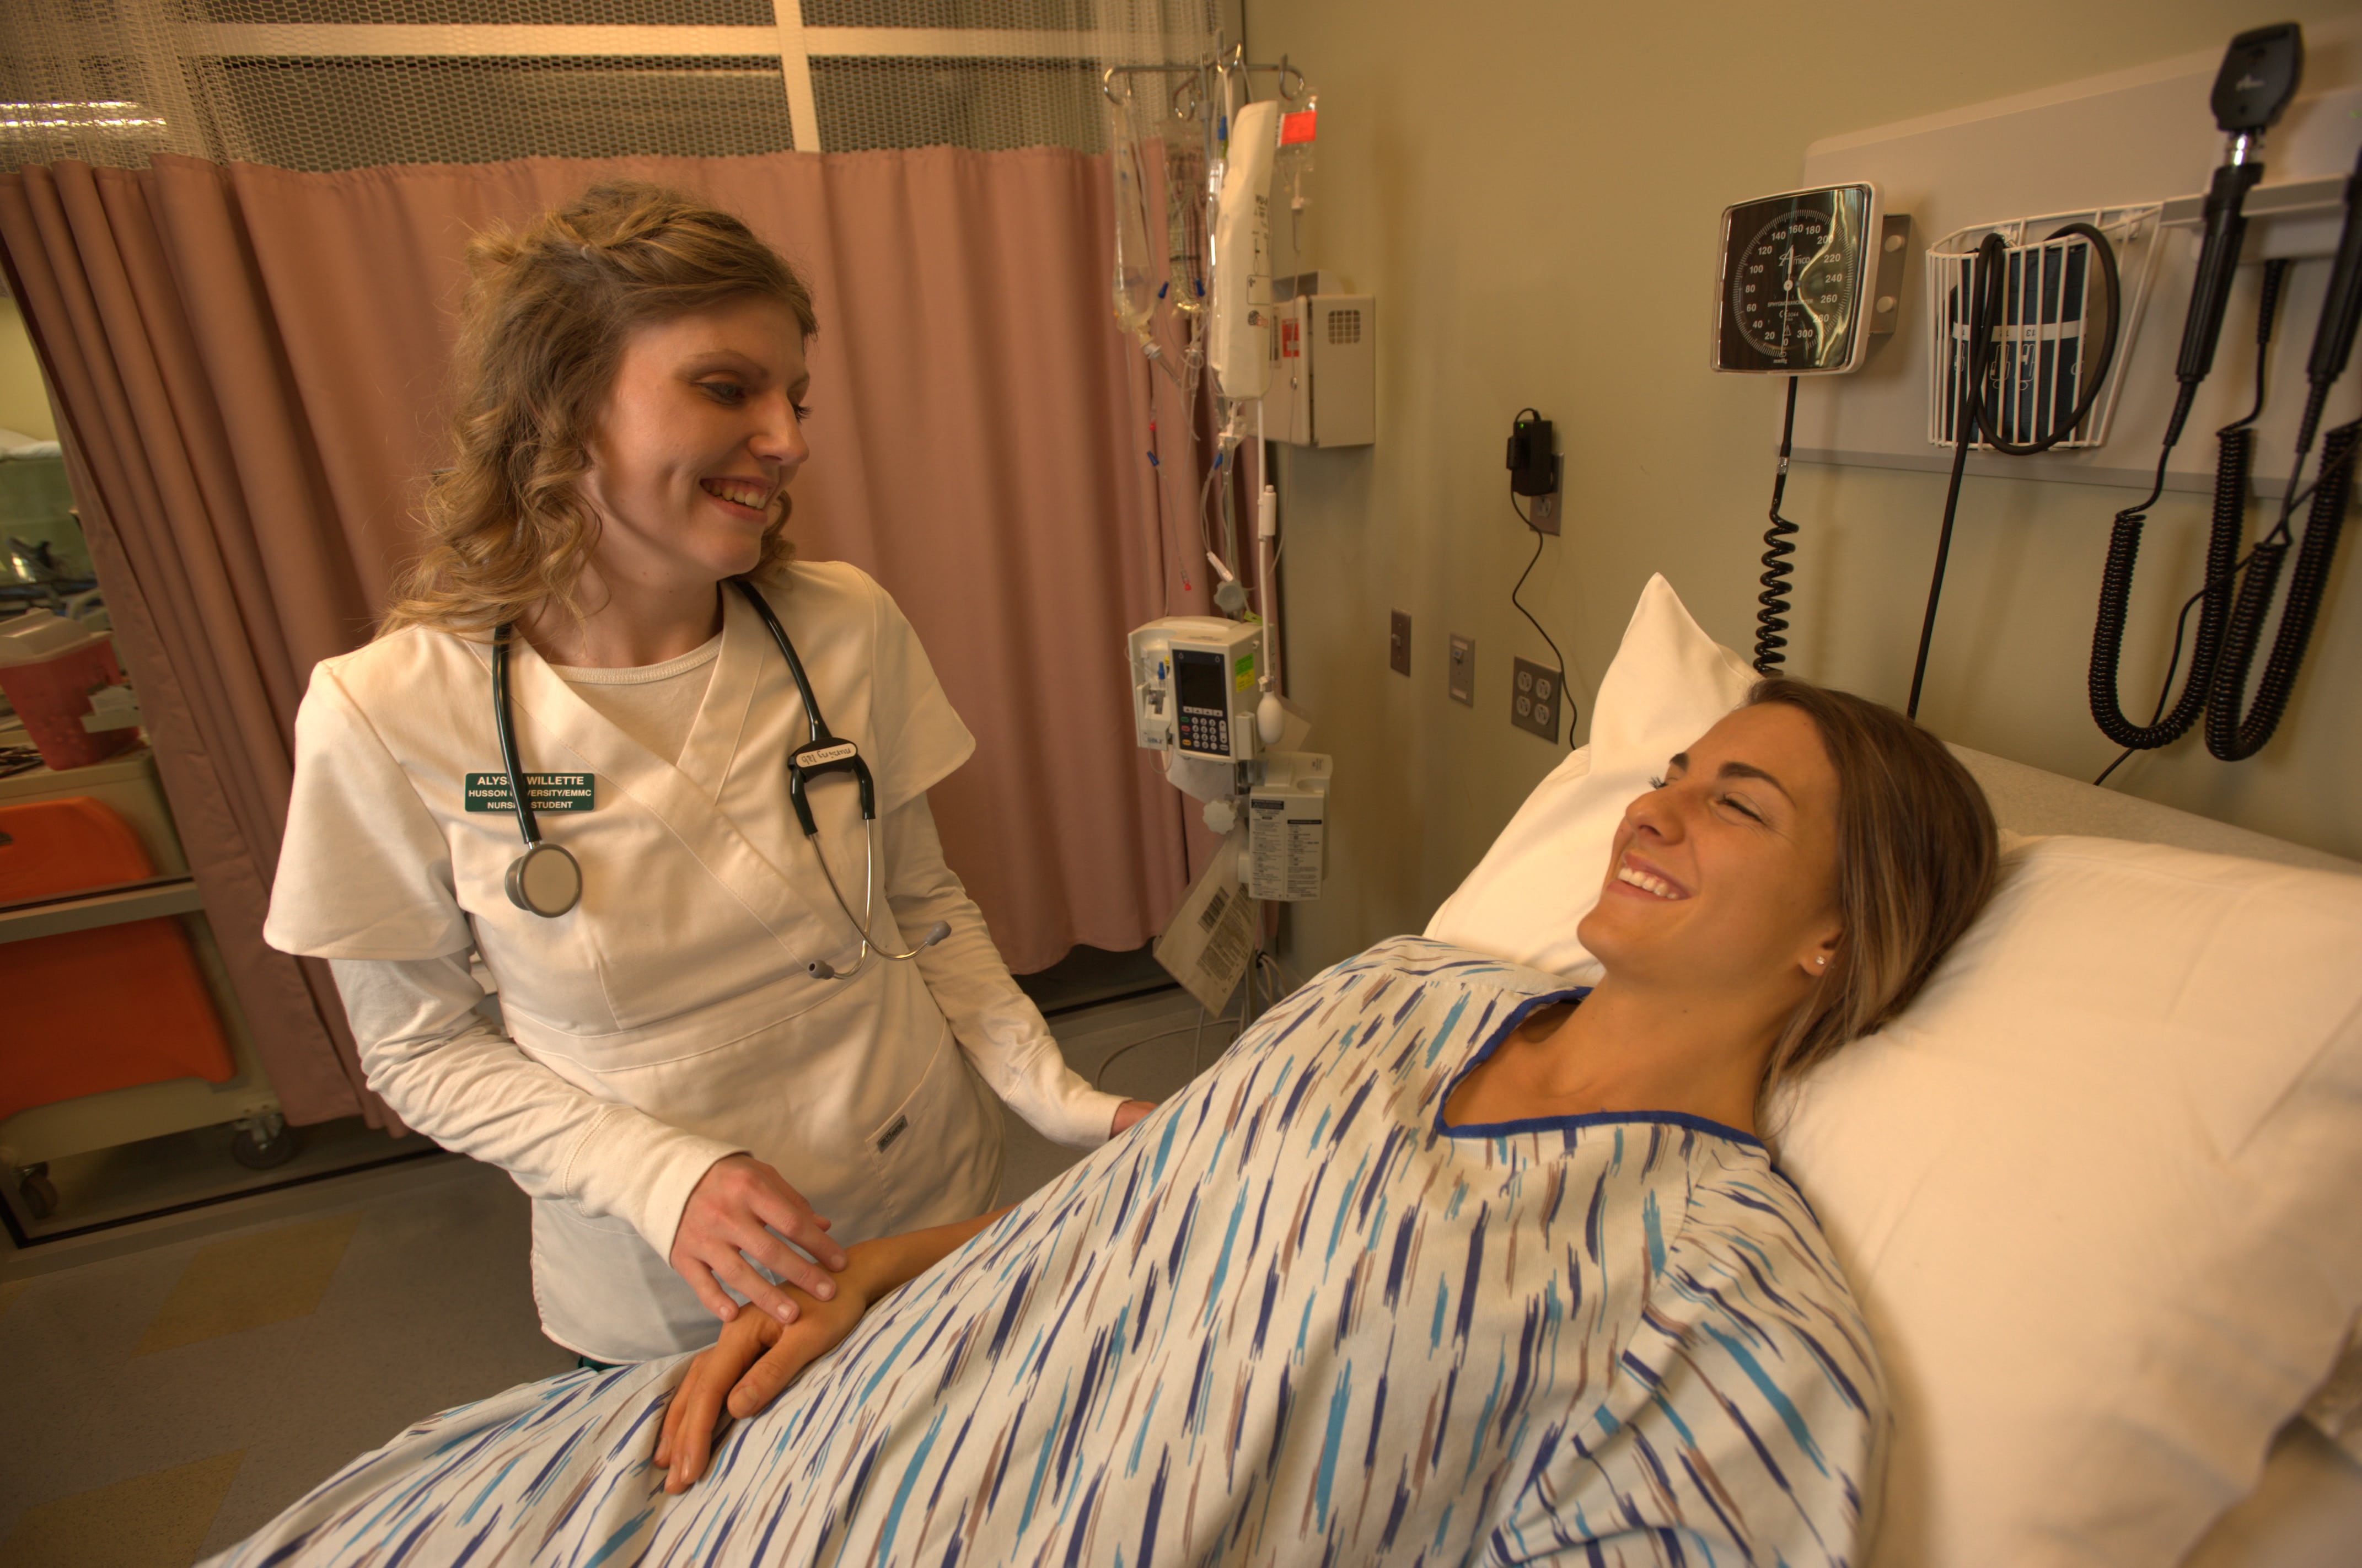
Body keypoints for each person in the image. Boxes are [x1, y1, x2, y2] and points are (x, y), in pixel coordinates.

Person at [222, 679, 1995, 1566]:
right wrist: (865, 1286)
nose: (1656, 805)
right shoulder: (1402, 984)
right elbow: (1125, 1204)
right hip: (829, 1419)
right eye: (1671, 769)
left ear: (1842, 930)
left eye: (1734, 801)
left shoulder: (1725, 1297)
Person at [263, 183, 1151, 1368]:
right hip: (666, 1285)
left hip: (925, 1201)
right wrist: (662, 1178)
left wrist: (1065, 1100)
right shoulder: (385, 713)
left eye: (794, 398)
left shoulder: (842, 625)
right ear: (563, 408)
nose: (788, 439)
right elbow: (416, 1048)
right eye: (728, 389)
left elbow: (924, 910)